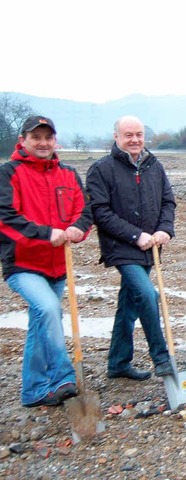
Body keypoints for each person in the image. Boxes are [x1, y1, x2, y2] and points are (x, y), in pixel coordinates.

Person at [0, 115, 92, 407]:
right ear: (23, 141)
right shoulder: (9, 173)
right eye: (36, 137)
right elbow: (6, 217)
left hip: (58, 265)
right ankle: (64, 377)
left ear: (55, 140)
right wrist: (44, 233)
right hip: (23, 264)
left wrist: (78, 228)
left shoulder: (68, 173)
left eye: (47, 137)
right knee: (49, 309)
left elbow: (84, 209)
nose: (42, 143)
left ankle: (34, 390)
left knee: (40, 323)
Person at [86, 115, 174, 381]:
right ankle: (161, 357)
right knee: (148, 295)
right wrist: (136, 236)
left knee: (129, 305)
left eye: (139, 134)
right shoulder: (101, 169)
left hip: (151, 248)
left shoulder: (154, 165)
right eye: (128, 135)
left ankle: (118, 362)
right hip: (122, 248)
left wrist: (164, 230)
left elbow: (168, 202)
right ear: (117, 137)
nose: (135, 140)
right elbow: (100, 212)